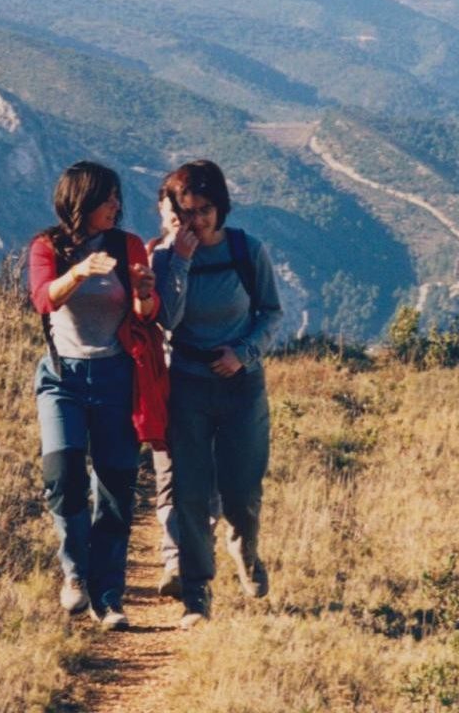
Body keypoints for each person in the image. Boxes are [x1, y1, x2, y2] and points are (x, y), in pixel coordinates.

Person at [150, 160, 283, 629]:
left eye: (205, 210)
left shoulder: (247, 250)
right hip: (187, 382)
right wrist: (181, 260)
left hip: (241, 385)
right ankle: (196, 594)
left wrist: (242, 354)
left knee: (242, 490)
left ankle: (244, 548)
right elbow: (167, 318)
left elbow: (271, 313)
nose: (197, 221)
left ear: (220, 207)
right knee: (190, 491)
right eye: (187, 212)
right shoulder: (165, 257)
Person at [28, 161, 157, 630]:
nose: (116, 206)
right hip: (62, 378)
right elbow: (44, 299)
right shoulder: (47, 246)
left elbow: (146, 314)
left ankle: (109, 596)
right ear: (80, 200)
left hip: (116, 377)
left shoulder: (128, 245)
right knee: (62, 476)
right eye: (107, 198)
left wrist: (145, 294)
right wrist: (80, 271)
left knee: (116, 487)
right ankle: (75, 572)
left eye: (117, 198)